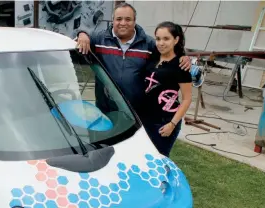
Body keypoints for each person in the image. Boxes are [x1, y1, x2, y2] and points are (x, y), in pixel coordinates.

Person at [75, 2, 191, 113]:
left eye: (128, 19)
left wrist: (183, 57)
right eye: (119, 19)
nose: (123, 23)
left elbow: (169, 54)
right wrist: (82, 33)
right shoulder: (98, 40)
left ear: (135, 21)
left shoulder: (149, 44)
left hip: (137, 112)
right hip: (105, 109)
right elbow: (76, 48)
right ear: (113, 20)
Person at [139, 21, 192, 157]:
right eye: (158, 39)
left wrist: (172, 124)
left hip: (165, 122)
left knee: (159, 158)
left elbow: (187, 99)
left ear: (176, 40)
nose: (161, 43)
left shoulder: (181, 66)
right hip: (145, 119)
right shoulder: (153, 58)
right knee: (143, 157)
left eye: (166, 39)